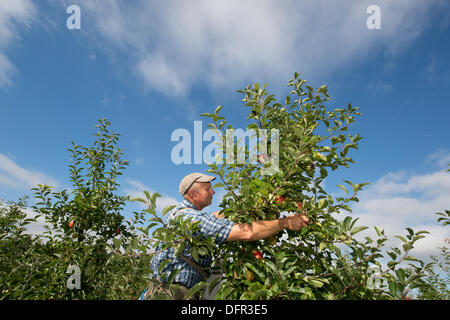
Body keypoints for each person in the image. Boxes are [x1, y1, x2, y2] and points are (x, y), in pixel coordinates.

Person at [140, 172, 310, 300]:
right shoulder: (191, 218)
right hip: (175, 294)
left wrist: (241, 209)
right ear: (194, 195)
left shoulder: (180, 214)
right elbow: (246, 232)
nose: (213, 192)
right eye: (208, 189)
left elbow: (215, 217)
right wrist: (284, 223)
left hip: (164, 290)